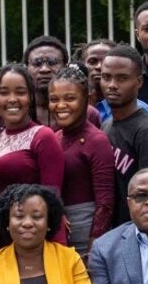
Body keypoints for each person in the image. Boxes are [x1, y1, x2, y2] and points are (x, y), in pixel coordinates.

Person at [49, 66, 116, 256]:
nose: (61, 105)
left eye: (70, 98)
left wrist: (92, 250)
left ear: (87, 99)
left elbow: (105, 202)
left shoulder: (97, 140)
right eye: (54, 99)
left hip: (85, 234)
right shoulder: (55, 136)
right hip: (57, 231)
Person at [101, 45, 148, 227]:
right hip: (110, 231)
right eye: (106, 77)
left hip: (135, 233)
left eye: (122, 78)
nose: (112, 85)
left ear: (139, 82)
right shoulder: (106, 126)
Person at [0, 64, 65, 200]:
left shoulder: (43, 136)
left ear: (30, 97)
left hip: (29, 219)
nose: (12, 99)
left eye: (20, 92)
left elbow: (52, 198)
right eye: (4, 92)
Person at [84, 39, 148, 123]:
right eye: (92, 61)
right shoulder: (72, 106)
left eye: (105, 61)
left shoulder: (141, 110)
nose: (99, 66)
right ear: (83, 64)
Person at [23, 35, 69, 126]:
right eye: (37, 63)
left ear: (65, 66)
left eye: (52, 62)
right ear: (27, 68)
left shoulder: (83, 111)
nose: (44, 69)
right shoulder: (18, 110)